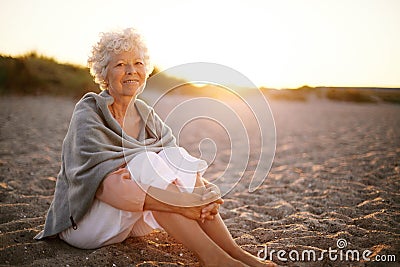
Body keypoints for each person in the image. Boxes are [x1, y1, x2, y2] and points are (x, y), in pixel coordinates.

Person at [35, 28, 276, 267]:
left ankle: (235, 252)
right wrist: (183, 202)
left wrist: (205, 195)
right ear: (104, 73)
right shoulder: (89, 113)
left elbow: (183, 171)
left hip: (129, 222)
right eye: (120, 64)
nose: (131, 71)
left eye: (137, 63)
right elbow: (104, 188)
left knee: (173, 156)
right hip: (83, 223)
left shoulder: (146, 114)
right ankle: (214, 259)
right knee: (147, 163)